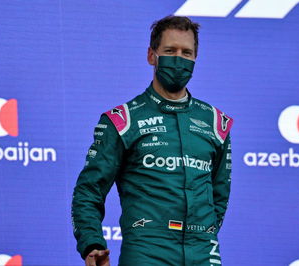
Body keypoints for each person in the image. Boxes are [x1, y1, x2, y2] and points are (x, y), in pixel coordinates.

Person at [71, 15, 233, 266]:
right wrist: (92, 243)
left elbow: (219, 196)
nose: (179, 59)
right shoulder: (123, 120)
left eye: (186, 52)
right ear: (151, 56)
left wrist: (203, 233)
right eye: (170, 51)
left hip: (203, 252)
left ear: (195, 59)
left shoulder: (215, 123)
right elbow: (88, 190)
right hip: (146, 250)